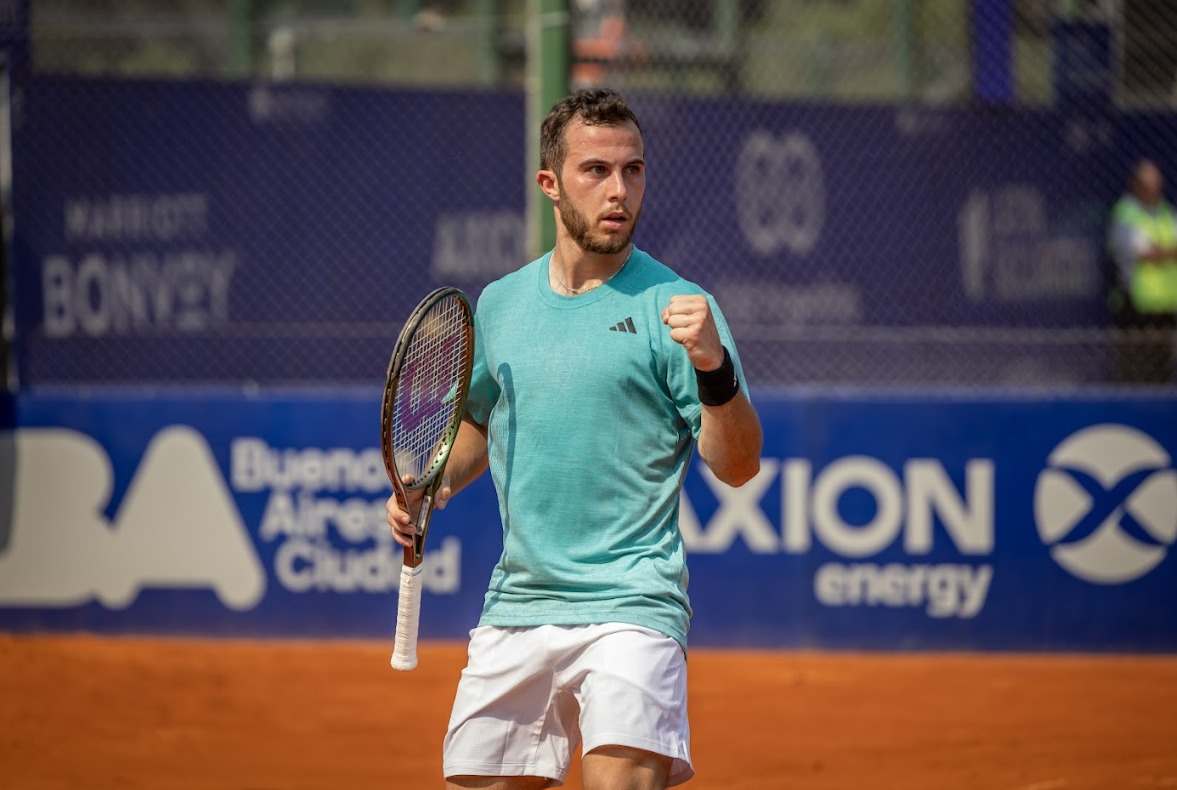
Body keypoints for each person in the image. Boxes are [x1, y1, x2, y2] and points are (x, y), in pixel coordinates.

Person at [386, 88, 762, 789]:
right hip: (518, 607)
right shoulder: (500, 304)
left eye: (633, 170)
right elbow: (476, 420)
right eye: (596, 171)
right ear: (549, 184)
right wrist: (428, 488)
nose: (619, 191)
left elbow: (737, 465)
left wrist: (713, 369)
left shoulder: (676, 308)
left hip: (632, 605)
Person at [1107, 159, 1177, 383]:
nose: (1152, 188)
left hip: (1166, 306)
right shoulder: (1127, 213)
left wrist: (1160, 251)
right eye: (1146, 183)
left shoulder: (1166, 212)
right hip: (1136, 306)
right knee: (1137, 369)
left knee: (1164, 369)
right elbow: (1143, 253)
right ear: (1135, 184)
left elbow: (1159, 251)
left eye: (1156, 183)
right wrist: (1166, 252)